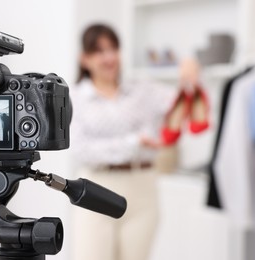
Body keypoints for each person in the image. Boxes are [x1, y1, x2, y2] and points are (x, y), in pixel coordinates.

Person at [69, 24, 183, 260]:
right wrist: (133, 143)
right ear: (85, 58)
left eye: (113, 48)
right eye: (99, 51)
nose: (109, 57)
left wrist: (190, 77)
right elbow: (81, 150)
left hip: (142, 188)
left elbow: (183, 103)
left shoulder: (144, 89)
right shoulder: (74, 98)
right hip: (96, 189)